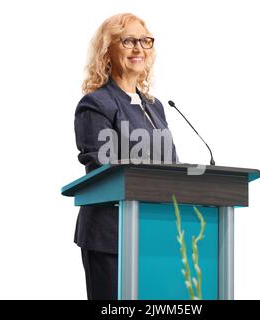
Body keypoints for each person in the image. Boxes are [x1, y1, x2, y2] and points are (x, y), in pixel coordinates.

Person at [73, 13, 178, 300]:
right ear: (107, 50)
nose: (139, 49)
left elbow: (172, 168)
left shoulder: (155, 107)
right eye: (128, 41)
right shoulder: (95, 104)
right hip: (111, 237)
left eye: (145, 41)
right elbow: (103, 171)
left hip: (154, 233)